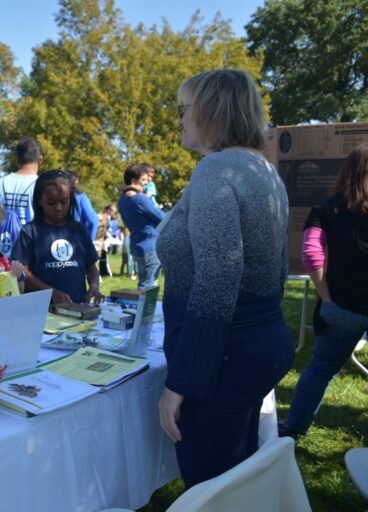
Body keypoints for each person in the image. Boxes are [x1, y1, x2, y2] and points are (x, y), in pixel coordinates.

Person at [156, 69, 294, 488]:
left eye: (184, 109)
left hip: (225, 359)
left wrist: (183, 381)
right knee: (238, 479)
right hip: (256, 345)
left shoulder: (217, 170)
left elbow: (219, 276)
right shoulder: (263, 169)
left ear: (212, 110)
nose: (179, 119)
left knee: (212, 486)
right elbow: (278, 269)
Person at [279, 144, 368, 439]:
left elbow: (311, 255)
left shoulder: (325, 209)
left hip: (340, 306)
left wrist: (326, 296)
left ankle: (294, 427)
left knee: (321, 368)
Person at [11, 170, 103, 305]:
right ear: (40, 201)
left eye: (64, 202)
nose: (59, 208)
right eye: (51, 203)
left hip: (76, 306)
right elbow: (23, 270)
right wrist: (51, 292)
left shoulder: (78, 230)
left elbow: (91, 266)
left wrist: (94, 286)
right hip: (41, 309)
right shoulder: (30, 232)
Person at [0, 136, 42, 257]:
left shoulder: (0, 184)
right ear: (40, 159)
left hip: (1, 254)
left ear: (17, 159)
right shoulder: (41, 185)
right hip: (31, 254)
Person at [117, 164, 165, 289]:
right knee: (148, 286)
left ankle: (141, 308)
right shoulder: (140, 200)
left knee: (143, 283)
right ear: (133, 181)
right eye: (143, 180)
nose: (146, 183)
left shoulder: (122, 199)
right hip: (150, 245)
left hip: (137, 244)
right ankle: (144, 309)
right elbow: (162, 217)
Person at [67, 171, 99, 240]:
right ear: (75, 182)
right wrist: (89, 242)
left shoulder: (54, 198)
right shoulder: (80, 198)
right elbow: (93, 220)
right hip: (76, 240)